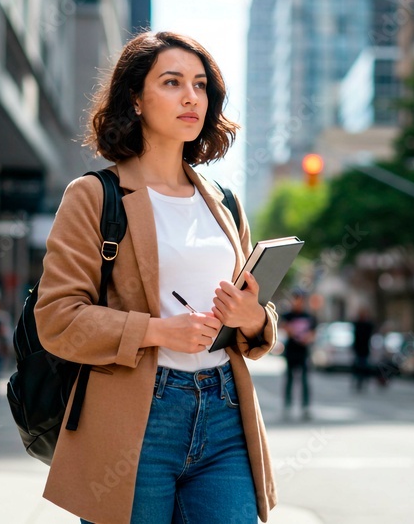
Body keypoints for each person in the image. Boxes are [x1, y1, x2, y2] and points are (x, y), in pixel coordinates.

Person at [33, 31, 279, 524]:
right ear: (136, 99)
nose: (192, 96)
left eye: (201, 85)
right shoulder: (93, 196)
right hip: (136, 417)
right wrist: (157, 330)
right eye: (171, 82)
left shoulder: (224, 203)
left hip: (226, 411)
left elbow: (254, 321)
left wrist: (254, 318)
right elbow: (57, 318)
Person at [279, 290, 317, 420]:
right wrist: (290, 330)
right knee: (289, 380)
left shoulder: (309, 316)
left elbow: (313, 334)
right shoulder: (288, 315)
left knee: (305, 381)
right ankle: (287, 406)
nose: (297, 302)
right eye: (295, 299)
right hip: (291, 352)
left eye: (300, 299)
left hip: (304, 353)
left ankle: (305, 407)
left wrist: (308, 338)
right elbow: (283, 328)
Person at [352, 307, 376, 393]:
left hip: (365, 349)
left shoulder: (368, 324)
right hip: (358, 349)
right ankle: (358, 382)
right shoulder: (357, 324)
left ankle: (362, 382)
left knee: (364, 366)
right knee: (358, 366)